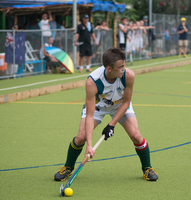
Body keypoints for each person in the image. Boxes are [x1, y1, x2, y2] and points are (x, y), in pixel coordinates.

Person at [54, 47, 158, 182]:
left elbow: (126, 102)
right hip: (98, 107)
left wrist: (111, 125)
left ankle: (147, 168)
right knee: (81, 138)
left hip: (120, 105)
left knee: (136, 136)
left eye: (124, 66)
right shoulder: (93, 81)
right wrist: (89, 146)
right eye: (120, 67)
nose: (123, 69)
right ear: (109, 68)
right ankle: (68, 167)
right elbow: (90, 115)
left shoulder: (129, 75)